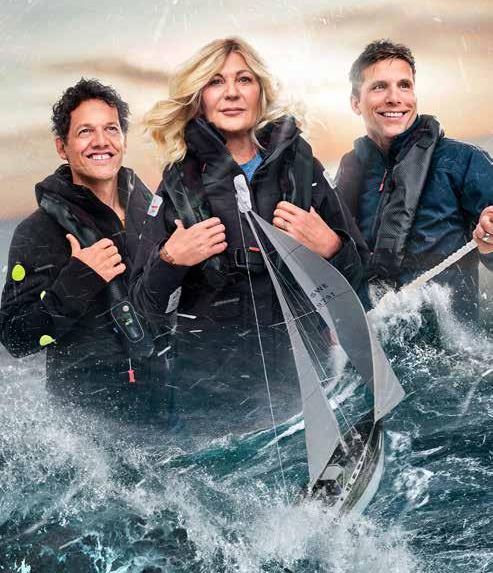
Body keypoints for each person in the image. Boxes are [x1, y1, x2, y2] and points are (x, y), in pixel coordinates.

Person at [130, 36, 368, 438]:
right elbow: (142, 308)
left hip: (306, 385)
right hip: (212, 405)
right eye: (216, 82)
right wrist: (170, 259)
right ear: (199, 98)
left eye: (244, 79)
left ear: (260, 91)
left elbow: (360, 277)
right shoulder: (177, 185)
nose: (232, 93)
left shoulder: (302, 167)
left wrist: (331, 247)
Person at [0, 79, 170, 414]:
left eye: (111, 129)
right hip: (90, 421)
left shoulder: (154, 211)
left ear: (123, 139)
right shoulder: (38, 231)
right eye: (85, 131)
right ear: (62, 147)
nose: (101, 141)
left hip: (170, 405)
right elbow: (14, 338)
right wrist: (78, 280)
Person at [335, 39, 493, 320]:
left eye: (404, 85)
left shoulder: (463, 160)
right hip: (371, 337)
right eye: (379, 86)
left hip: (447, 343)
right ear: (355, 103)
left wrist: (490, 243)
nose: (394, 98)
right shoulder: (350, 170)